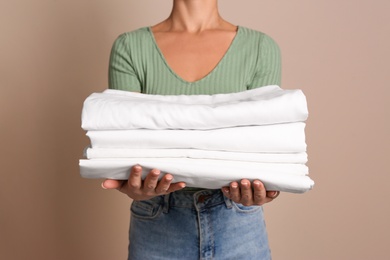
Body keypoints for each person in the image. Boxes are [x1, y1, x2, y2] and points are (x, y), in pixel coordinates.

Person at [102, 0, 281, 259]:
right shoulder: (130, 48)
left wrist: (264, 184)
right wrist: (131, 185)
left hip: (238, 226)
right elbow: (125, 149)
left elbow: (263, 147)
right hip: (157, 226)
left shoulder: (261, 49)